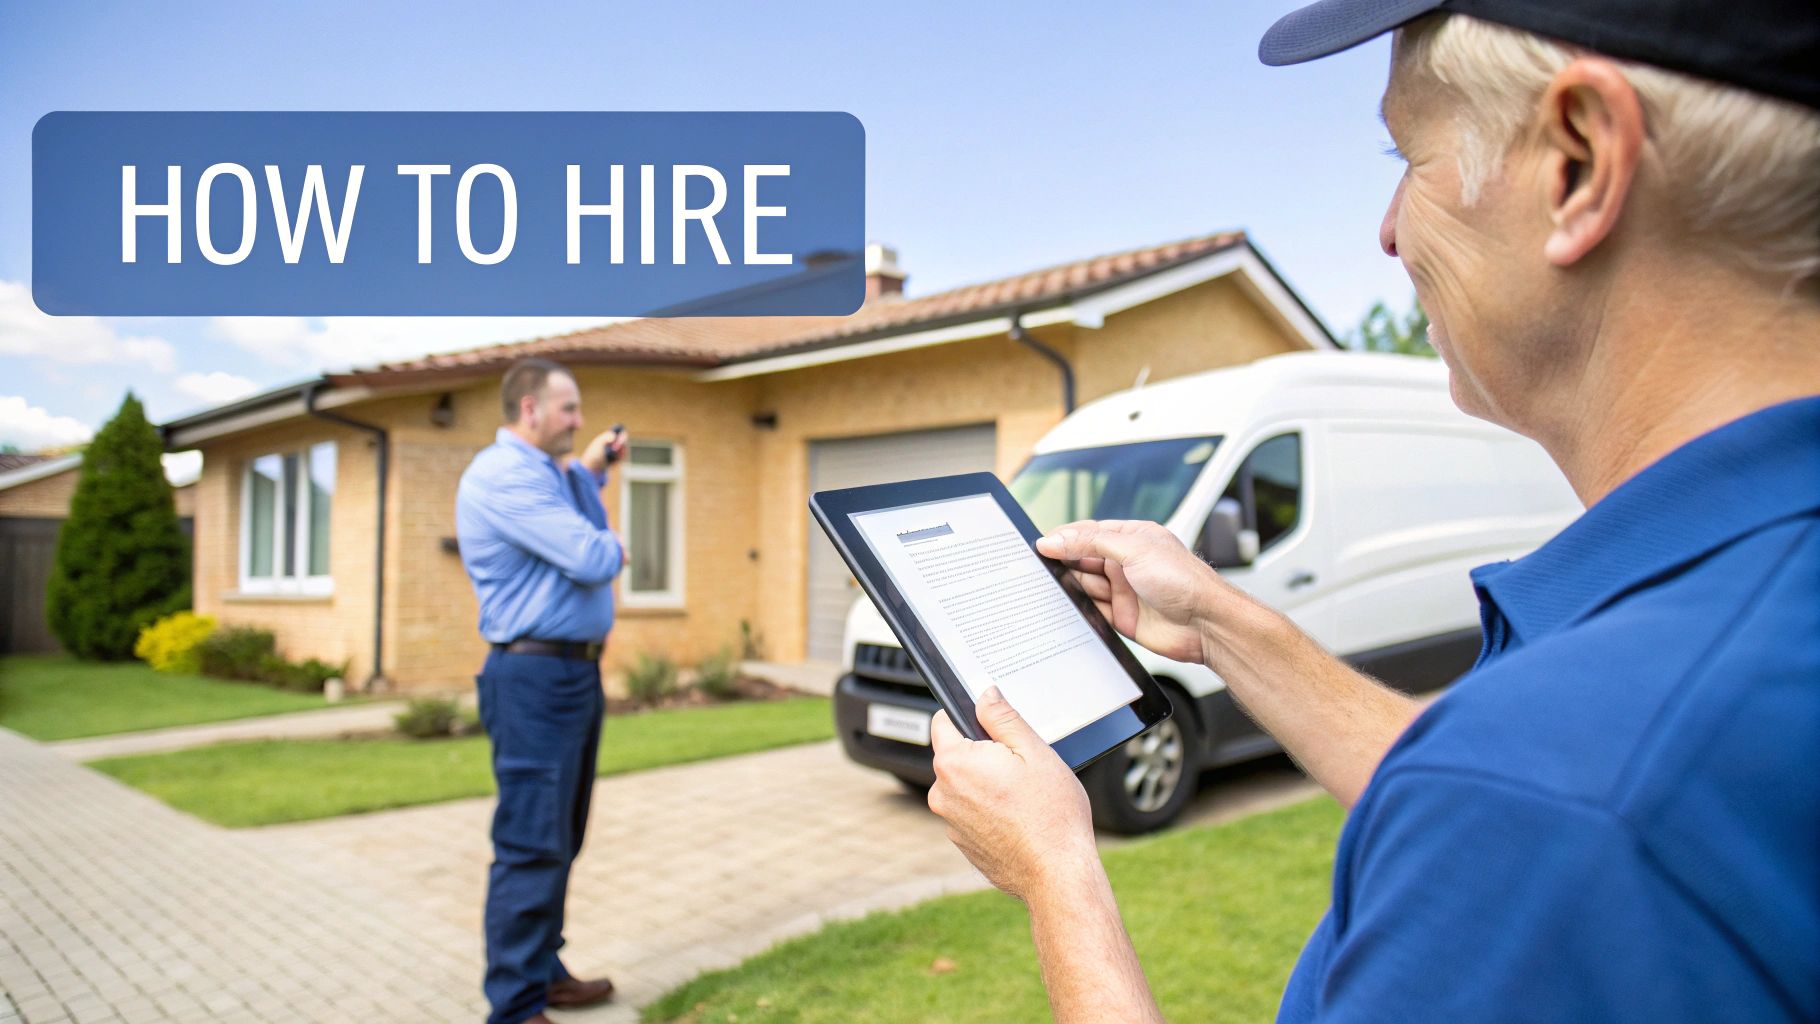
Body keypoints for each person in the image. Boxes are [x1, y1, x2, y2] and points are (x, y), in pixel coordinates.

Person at [927, 2, 1820, 1021]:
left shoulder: (1563, 796)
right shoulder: (1733, 617)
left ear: (1574, 161)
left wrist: (1056, 875)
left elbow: (1534, 801)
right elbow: (1500, 789)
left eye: (1409, 155)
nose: (1386, 231)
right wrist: (1219, 621)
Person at [455, 357, 628, 1024]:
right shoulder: (503, 478)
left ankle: (542, 970)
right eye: (568, 409)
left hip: (571, 674)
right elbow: (592, 556)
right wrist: (614, 546)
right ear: (529, 409)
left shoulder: (550, 476)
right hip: (531, 679)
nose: (578, 420)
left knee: (562, 835)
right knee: (531, 842)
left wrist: (594, 469)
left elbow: (575, 506)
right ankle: (516, 1006)